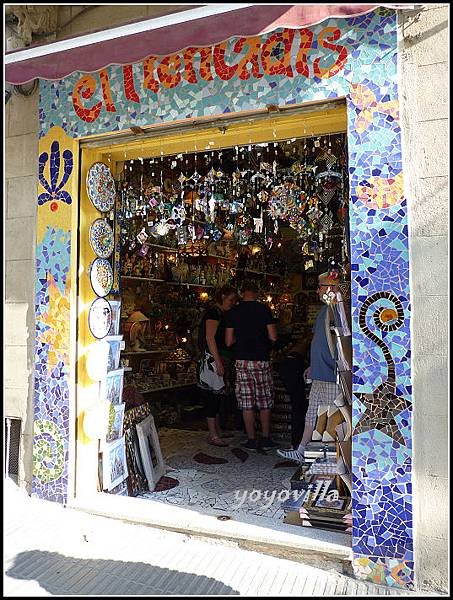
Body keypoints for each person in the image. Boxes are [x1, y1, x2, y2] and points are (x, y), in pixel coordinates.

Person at [277, 270, 342, 463]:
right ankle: (302, 450)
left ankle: (331, 458)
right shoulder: (325, 310)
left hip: (330, 374)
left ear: (330, 288)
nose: (317, 291)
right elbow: (319, 341)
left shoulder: (338, 310)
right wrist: (312, 366)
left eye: (320, 287)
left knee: (331, 417)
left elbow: (339, 343)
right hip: (319, 373)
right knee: (311, 414)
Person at [225, 280, 278, 452]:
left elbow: (228, 341)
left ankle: (251, 439)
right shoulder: (263, 310)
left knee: (247, 402)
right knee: (264, 401)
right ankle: (266, 437)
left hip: (242, 360)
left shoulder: (234, 312)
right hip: (261, 359)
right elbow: (273, 337)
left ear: (242, 292)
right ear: (257, 292)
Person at [198, 285, 238, 447]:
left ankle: (217, 431)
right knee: (213, 396)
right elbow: (210, 338)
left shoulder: (222, 314)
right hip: (213, 358)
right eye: (231, 299)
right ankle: (213, 433)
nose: (233, 303)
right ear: (222, 296)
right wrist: (218, 361)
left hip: (219, 357)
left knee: (218, 394)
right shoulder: (213, 313)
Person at [277, 333, 310, 449]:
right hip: (294, 365)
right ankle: (296, 443)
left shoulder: (302, 342)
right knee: (299, 406)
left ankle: (296, 442)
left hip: (289, 365)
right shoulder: (309, 340)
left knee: (298, 405)